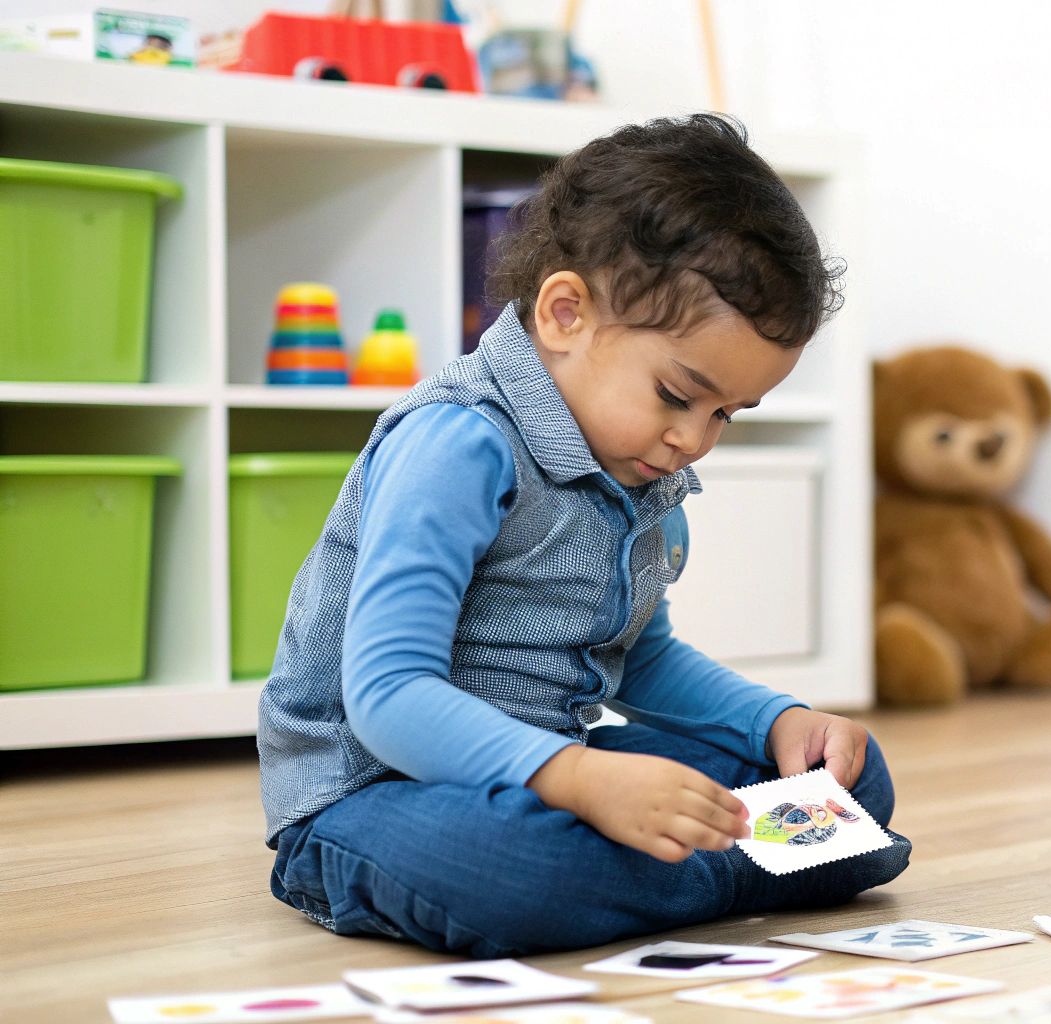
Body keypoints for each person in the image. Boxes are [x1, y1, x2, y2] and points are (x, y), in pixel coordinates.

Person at [257, 114, 910, 957]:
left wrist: (775, 722)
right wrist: (580, 781)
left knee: (852, 779)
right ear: (565, 314)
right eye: (679, 395)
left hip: (557, 766)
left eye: (726, 415)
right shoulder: (456, 442)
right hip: (373, 794)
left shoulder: (642, 461)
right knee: (520, 867)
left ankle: (677, 871)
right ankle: (739, 871)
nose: (695, 439)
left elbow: (642, 656)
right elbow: (386, 698)